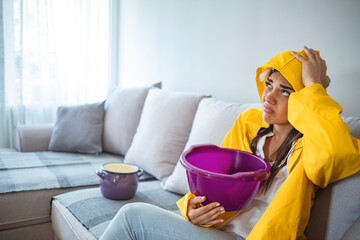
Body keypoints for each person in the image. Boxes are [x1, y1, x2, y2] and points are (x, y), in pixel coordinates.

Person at [99, 47, 360, 240]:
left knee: (131, 217)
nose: (269, 96)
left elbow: (337, 155)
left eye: (285, 91)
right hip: (220, 232)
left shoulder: (312, 143)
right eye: (269, 84)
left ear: (304, 99)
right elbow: (218, 182)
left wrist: (315, 87)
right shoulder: (249, 124)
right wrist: (193, 209)